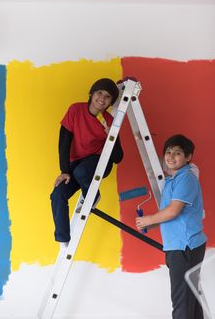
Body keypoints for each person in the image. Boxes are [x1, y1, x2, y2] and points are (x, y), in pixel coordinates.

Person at [136, 134, 207, 319]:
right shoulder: (172, 180)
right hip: (180, 246)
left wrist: (149, 220)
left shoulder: (186, 178)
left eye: (177, 153)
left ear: (188, 157)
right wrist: (153, 223)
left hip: (185, 247)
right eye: (168, 152)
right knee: (190, 300)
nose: (171, 156)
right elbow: (172, 213)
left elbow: (173, 211)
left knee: (181, 304)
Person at [51, 78, 123, 250]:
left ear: (111, 102)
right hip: (75, 166)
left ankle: (93, 196)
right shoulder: (76, 109)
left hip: (99, 162)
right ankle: (63, 239)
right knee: (57, 194)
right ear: (91, 93)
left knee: (82, 172)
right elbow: (64, 142)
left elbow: (118, 157)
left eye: (108, 97)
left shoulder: (109, 120)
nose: (102, 98)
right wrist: (64, 171)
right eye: (99, 93)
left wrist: (109, 136)